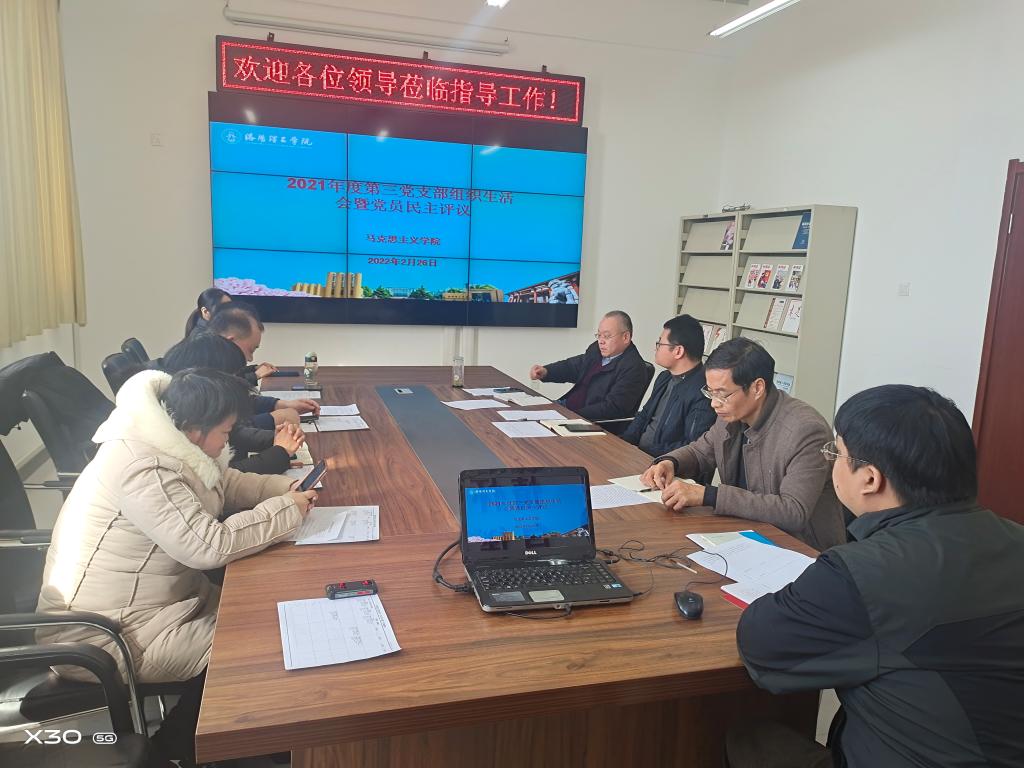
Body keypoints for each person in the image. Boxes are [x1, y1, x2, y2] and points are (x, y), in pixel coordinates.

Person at [727, 385, 1024, 768]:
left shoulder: (863, 572)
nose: (831, 463)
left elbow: (761, 644)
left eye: (836, 453)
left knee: (750, 739)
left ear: (870, 479)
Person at [36, 368, 316, 766]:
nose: (227, 441)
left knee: (266, 612)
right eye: (225, 432)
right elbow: (208, 545)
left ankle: (248, 737)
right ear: (194, 430)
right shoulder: (143, 468)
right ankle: (178, 749)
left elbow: (226, 483)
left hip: (159, 607)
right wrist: (286, 510)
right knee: (255, 643)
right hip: (104, 632)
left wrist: (283, 489)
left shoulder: (170, 446)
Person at [641, 337, 844, 550]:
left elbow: (793, 511)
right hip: (745, 534)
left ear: (757, 388)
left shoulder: (805, 430)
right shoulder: (731, 413)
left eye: (722, 394)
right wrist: (670, 462)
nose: (714, 403)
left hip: (799, 548)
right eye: (710, 392)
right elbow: (702, 451)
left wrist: (709, 495)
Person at [162, 333, 305, 475]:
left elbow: (234, 433)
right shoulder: (170, 463)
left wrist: (276, 440)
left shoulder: (187, 400)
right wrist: (278, 454)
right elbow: (223, 477)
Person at [621, 314, 716, 459]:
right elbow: (644, 415)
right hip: (637, 455)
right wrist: (624, 443)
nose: (656, 349)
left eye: (660, 344)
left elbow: (692, 446)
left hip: (662, 464)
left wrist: (643, 451)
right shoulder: (664, 377)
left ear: (678, 351)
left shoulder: (703, 391)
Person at [207, 303, 318, 427]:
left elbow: (239, 402)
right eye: (250, 350)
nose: (250, 359)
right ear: (230, 342)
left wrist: (283, 405)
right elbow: (226, 432)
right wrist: (274, 419)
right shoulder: (201, 374)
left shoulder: (215, 362)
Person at [529, 310, 649, 421]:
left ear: (625, 337)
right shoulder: (596, 350)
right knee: (525, 414)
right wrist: (546, 372)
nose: (601, 341)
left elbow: (612, 408)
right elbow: (573, 367)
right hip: (567, 407)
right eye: (599, 335)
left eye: (606, 336)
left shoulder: (633, 368)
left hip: (586, 420)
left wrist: (572, 416)